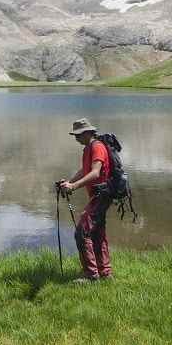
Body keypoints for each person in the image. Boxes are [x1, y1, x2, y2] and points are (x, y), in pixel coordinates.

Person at [59, 118, 112, 282]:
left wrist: (74, 187)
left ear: (88, 133)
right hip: (98, 196)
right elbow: (85, 170)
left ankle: (91, 275)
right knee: (97, 233)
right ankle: (104, 272)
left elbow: (95, 173)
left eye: (79, 135)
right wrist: (70, 182)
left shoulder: (97, 147)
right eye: (75, 135)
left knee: (82, 232)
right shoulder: (88, 148)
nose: (76, 138)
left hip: (100, 195)